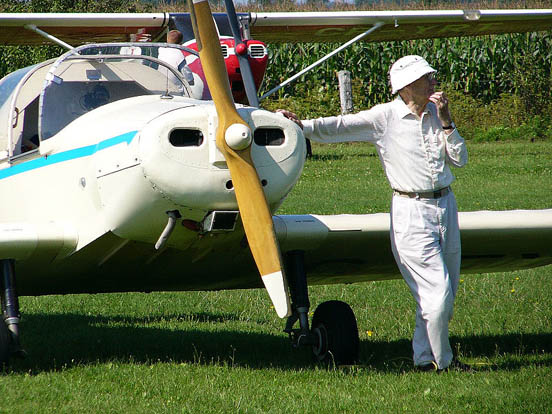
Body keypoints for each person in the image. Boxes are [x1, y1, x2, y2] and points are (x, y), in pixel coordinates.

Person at [279, 55, 469, 372]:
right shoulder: (385, 117)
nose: (433, 81)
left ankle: (424, 359)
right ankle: (445, 363)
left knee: (442, 297)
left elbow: (459, 160)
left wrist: (448, 121)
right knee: (438, 292)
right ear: (408, 87)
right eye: (427, 78)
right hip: (410, 210)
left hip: (446, 206)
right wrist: (298, 125)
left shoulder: (437, 113)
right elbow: (340, 126)